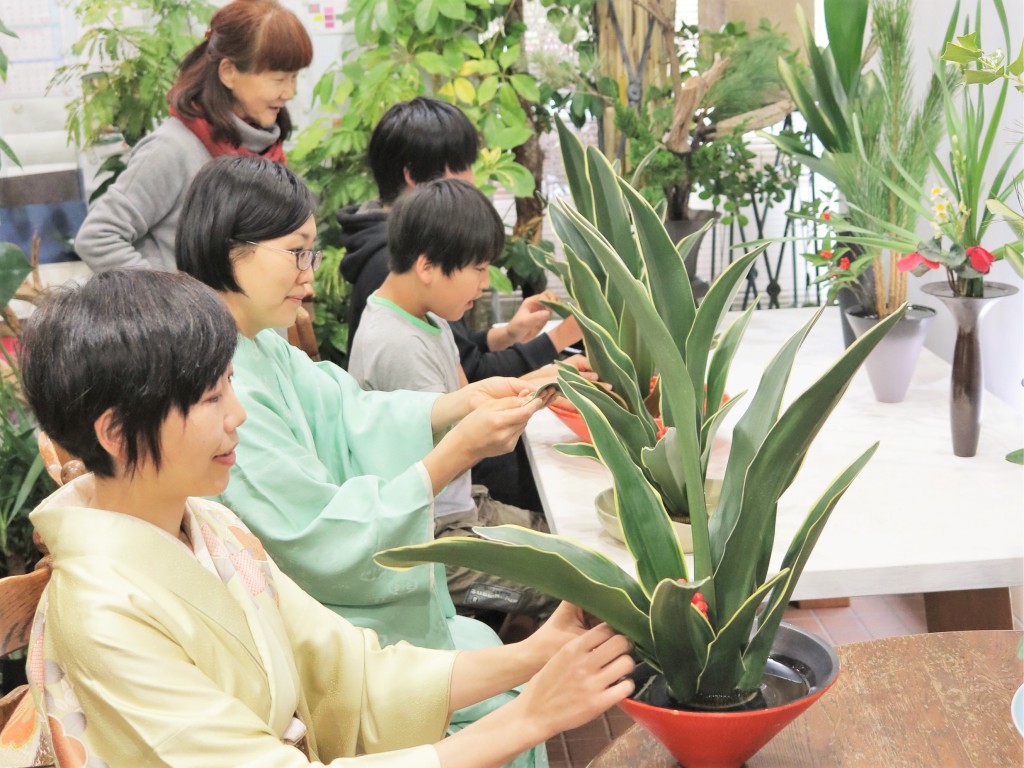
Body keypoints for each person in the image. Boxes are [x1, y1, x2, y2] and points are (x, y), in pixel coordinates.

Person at [10, 268, 635, 767]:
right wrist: (527, 717)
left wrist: (536, 654)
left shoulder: (211, 525)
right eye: (209, 398)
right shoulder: (101, 617)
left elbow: (351, 674)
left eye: (230, 384)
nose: (239, 416)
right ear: (116, 433)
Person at [175, 156, 554, 766]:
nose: (309, 272)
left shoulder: (261, 342)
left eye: (312, 252)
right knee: (507, 707)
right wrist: (456, 446)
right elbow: (311, 533)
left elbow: (349, 414)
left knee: (486, 652)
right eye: (297, 252)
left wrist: (458, 403)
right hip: (313, 624)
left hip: (328, 603)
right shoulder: (215, 382)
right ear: (233, 250)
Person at [338, 96, 590, 509]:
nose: (472, 180)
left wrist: (540, 372)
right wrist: (552, 353)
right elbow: (457, 435)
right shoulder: (394, 307)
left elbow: (463, 387)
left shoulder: (424, 305)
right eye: (462, 168)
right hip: (442, 514)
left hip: (462, 493)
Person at [347, 178, 558, 620]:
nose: (483, 284)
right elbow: (459, 442)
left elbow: (468, 396)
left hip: (465, 510)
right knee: (563, 586)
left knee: (568, 542)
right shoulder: (398, 344)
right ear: (428, 266)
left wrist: (541, 377)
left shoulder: (428, 316)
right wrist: (538, 388)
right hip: (435, 551)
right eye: (478, 269)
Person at [74, 0, 312, 273]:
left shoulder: (265, 149)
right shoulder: (172, 149)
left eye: (294, 78)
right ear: (229, 72)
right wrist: (171, 302)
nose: (289, 92)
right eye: (279, 79)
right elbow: (97, 238)